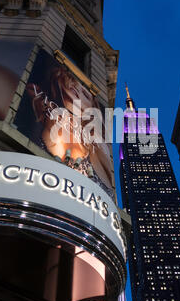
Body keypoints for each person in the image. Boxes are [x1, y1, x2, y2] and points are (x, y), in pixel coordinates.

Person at [25, 56, 114, 197]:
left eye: (84, 93)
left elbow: (108, 192)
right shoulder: (42, 107)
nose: (76, 89)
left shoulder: (98, 146)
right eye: (69, 87)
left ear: (93, 108)